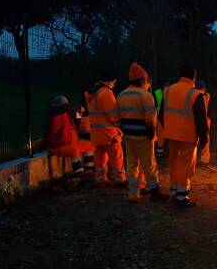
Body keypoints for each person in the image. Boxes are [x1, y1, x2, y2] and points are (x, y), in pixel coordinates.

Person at [116, 62, 168, 202]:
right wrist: (151, 133)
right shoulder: (145, 96)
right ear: (141, 80)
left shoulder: (120, 95)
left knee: (131, 164)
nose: (147, 83)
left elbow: (117, 118)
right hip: (143, 136)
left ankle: (133, 194)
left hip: (128, 136)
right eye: (146, 80)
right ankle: (155, 192)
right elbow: (150, 118)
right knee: (149, 164)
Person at [158, 65, 209, 208]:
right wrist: (204, 138)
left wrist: (169, 128)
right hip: (188, 136)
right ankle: (181, 196)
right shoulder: (195, 94)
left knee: (173, 163)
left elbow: (161, 115)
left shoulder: (167, 91)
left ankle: (174, 191)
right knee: (185, 166)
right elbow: (201, 120)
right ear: (193, 78)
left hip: (171, 134)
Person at [85, 73, 126, 186]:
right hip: (109, 133)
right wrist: (121, 126)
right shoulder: (106, 93)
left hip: (96, 134)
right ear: (108, 81)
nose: (114, 85)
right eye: (113, 82)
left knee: (100, 156)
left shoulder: (90, 94)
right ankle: (120, 179)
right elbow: (113, 115)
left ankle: (100, 178)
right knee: (116, 156)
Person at [45, 96, 95, 175]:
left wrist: (79, 112)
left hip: (71, 142)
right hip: (58, 145)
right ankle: (79, 173)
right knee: (74, 151)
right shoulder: (54, 115)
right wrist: (76, 108)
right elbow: (59, 110)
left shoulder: (66, 113)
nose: (66, 107)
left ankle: (89, 170)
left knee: (89, 145)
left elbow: (77, 122)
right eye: (65, 105)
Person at [195, 79, 212, 165]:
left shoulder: (195, 95)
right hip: (205, 120)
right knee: (205, 139)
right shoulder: (207, 95)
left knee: (195, 140)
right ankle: (204, 159)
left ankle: (196, 158)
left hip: (197, 120)